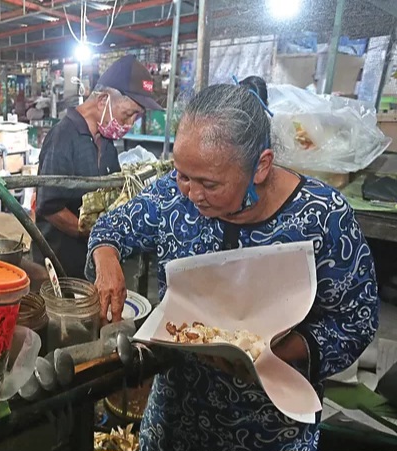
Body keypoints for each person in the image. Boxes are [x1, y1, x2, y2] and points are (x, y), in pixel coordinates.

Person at [86, 76, 379, 450]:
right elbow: (113, 226)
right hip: (175, 421)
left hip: (269, 431)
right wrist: (107, 257)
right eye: (182, 174)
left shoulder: (322, 217)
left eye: (209, 184)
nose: (191, 193)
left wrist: (271, 356)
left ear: (261, 166)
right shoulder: (171, 196)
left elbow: (357, 320)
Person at [32, 55, 161, 279]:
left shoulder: (107, 142)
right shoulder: (63, 137)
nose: (129, 124)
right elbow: (49, 208)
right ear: (103, 101)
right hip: (60, 266)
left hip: (91, 261)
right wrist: (96, 234)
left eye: (136, 118)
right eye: (128, 114)